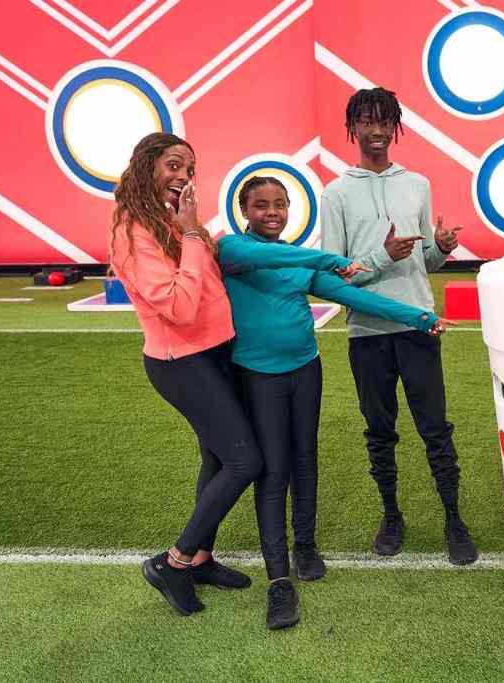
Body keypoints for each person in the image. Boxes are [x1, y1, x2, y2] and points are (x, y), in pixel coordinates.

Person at [109, 132, 355, 616]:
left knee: (219, 462)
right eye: (173, 166)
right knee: (246, 461)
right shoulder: (133, 229)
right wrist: (196, 235)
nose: (182, 176)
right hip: (183, 362)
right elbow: (179, 305)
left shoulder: (163, 218)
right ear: (145, 165)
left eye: (188, 170)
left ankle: (201, 557)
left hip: (215, 355)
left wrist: (191, 233)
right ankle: (174, 562)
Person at [218, 176, 454, 630]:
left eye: (280, 205)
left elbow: (353, 295)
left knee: (306, 460)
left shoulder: (296, 264)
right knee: (274, 469)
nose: (272, 213)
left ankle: (305, 546)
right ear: (244, 211)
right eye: (261, 205)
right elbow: (287, 256)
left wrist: (418, 316)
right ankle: (278, 577)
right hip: (259, 376)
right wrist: (334, 259)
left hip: (305, 370)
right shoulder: (234, 250)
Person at [320, 86, 477, 565]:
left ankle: (453, 518)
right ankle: (391, 515)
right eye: (366, 121)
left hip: (419, 326)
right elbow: (332, 277)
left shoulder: (418, 185)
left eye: (384, 121)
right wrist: (378, 257)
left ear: (395, 127)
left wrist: (442, 246)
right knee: (380, 431)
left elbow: (425, 261)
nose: (376, 130)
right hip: (368, 333)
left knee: (436, 428)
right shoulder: (336, 193)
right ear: (352, 128)